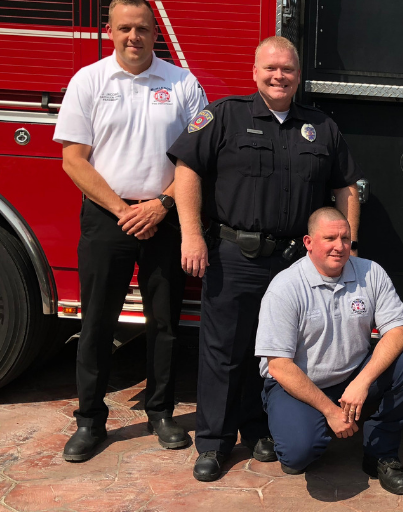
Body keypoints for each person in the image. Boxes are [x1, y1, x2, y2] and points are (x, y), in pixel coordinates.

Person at [166, 36, 362, 482]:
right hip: (236, 255)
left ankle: (258, 430)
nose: (279, 76)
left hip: (296, 262)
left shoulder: (320, 127)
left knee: (277, 351)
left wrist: (347, 244)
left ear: (298, 76)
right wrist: (192, 235)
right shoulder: (224, 115)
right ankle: (214, 443)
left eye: (288, 69)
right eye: (270, 68)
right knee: (224, 351)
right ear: (255, 73)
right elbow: (187, 169)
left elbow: (346, 186)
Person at [53, 0, 207, 462]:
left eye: (142, 28)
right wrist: (124, 210)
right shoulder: (89, 81)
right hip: (108, 218)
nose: (133, 37)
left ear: (155, 32)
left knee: (165, 324)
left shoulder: (183, 84)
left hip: (165, 217)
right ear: (110, 30)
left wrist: (160, 206)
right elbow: (73, 159)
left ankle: (161, 413)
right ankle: (90, 421)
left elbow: (195, 159)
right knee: (97, 322)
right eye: (124, 28)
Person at [255, 207, 403, 495]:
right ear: (308, 242)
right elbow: (279, 366)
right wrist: (329, 411)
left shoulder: (371, 272)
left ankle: (380, 452)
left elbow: (398, 332)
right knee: (298, 456)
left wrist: (361, 383)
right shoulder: (285, 287)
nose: (339, 246)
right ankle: (294, 429)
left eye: (345, 238)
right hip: (297, 384)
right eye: (330, 238)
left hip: (351, 377)